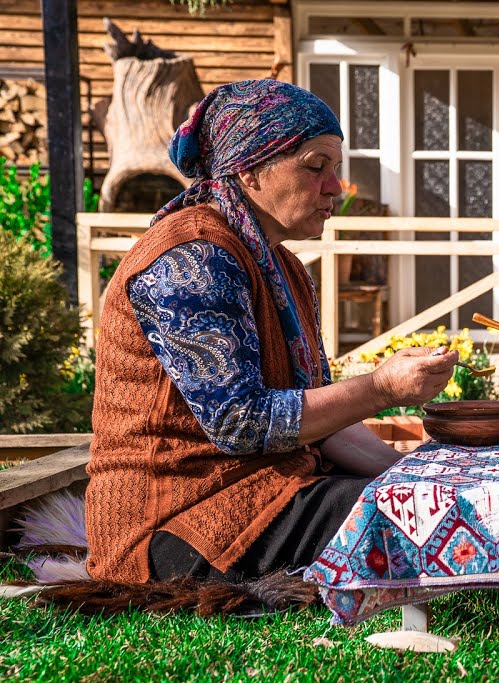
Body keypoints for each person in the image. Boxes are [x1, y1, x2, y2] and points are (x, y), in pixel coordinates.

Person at [85, 80, 459, 584]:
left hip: (263, 488)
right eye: (314, 166)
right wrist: (380, 388)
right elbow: (240, 423)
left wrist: (413, 473)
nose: (335, 187)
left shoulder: (282, 267)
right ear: (248, 170)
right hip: (173, 524)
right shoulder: (191, 259)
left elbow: (320, 422)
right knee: (402, 516)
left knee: (415, 497)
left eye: (336, 168)